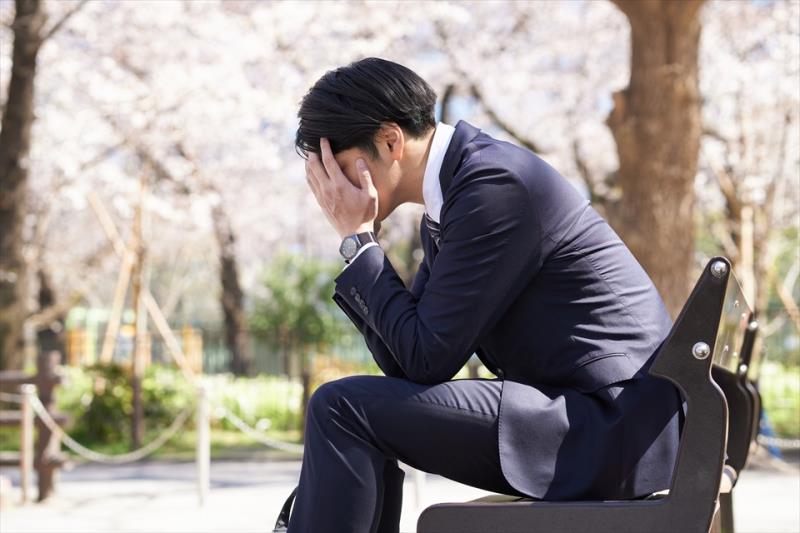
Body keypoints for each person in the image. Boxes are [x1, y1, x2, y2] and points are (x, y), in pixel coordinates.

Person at [289, 57, 682, 533]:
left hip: (608, 427)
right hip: (600, 418)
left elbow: (426, 359)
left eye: (337, 166)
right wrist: (361, 242)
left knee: (340, 407)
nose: (330, 188)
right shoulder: (460, 187)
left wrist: (358, 241)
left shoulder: (491, 187)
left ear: (391, 141)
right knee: (351, 410)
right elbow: (406, 363)